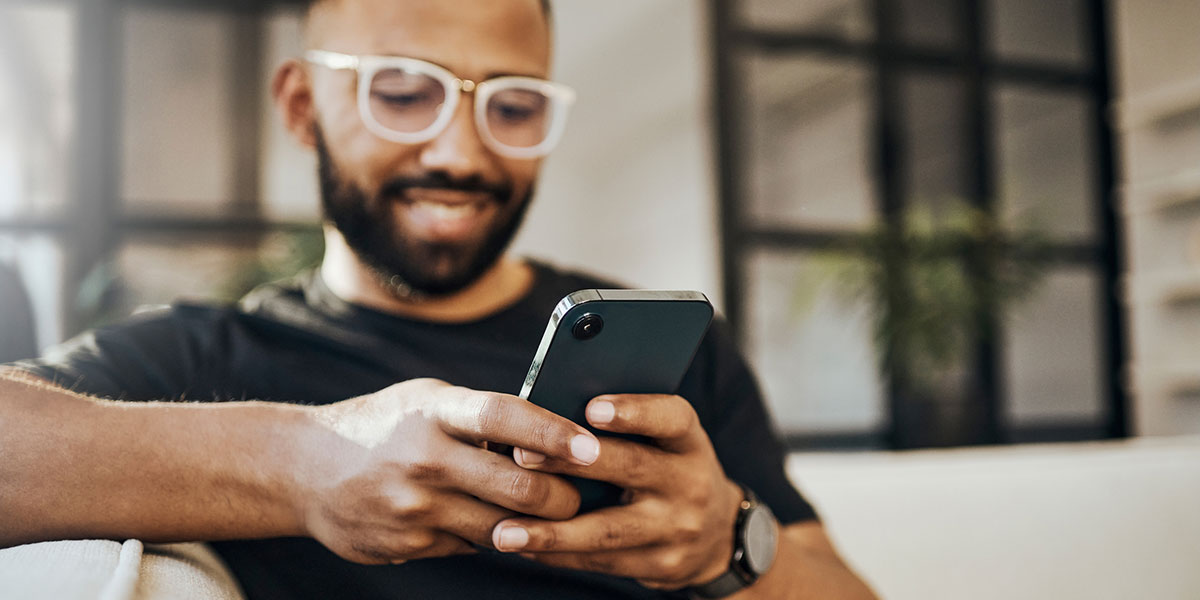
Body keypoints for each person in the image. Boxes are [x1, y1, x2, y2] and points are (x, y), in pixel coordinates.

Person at [0, 0, 876, 598]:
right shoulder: (198, 359)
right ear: (304, 108)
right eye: (403, 94)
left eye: (515, 105)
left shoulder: (672, 351)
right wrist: (307, 464)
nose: (460, 152)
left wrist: (726, 543)